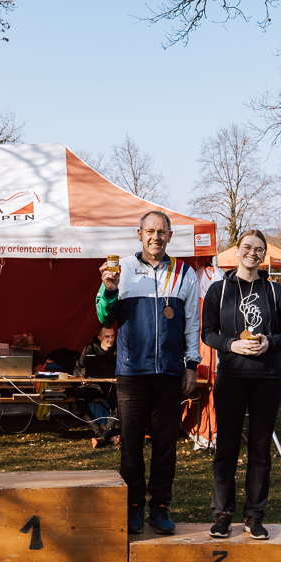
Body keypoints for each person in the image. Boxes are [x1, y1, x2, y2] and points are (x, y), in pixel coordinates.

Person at [97, 210, 201, 536]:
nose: (156, 237)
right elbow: (104, 315)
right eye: (150, 231)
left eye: (162, 232)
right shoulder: (122, 268)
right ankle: (133, 506)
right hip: (132, 373)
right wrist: (108, 289)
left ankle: (160, 507)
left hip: (170, 373)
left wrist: (192, 365)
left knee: (165, 445)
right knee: (130, 446)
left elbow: (192, 325)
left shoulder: (185, 273)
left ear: (170, 236)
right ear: (139, 234)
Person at [201, 230, 281, 541]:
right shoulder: (219, 290)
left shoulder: (273, 291)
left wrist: (270, 342)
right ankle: (222, 513)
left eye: (258, 249)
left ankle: (254, 515)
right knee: (226, 447)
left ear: (264, 255)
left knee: (259, 450)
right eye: (246, 247)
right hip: (231, 377)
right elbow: (208, 333)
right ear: (237, 251)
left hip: (266, 378)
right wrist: (230, 345)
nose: (252, 253)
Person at [74, 326, 120, 448]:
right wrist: (85, 378)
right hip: (93, 386)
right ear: (99, 337)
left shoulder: (118, 348)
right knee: (80, 400)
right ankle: (102, 434)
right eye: (107, 336)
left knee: (120, 403)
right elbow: (77, 370)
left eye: (112, 336)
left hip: (110, 386)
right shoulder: (90, 348)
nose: (111, 339)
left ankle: (103, 437)